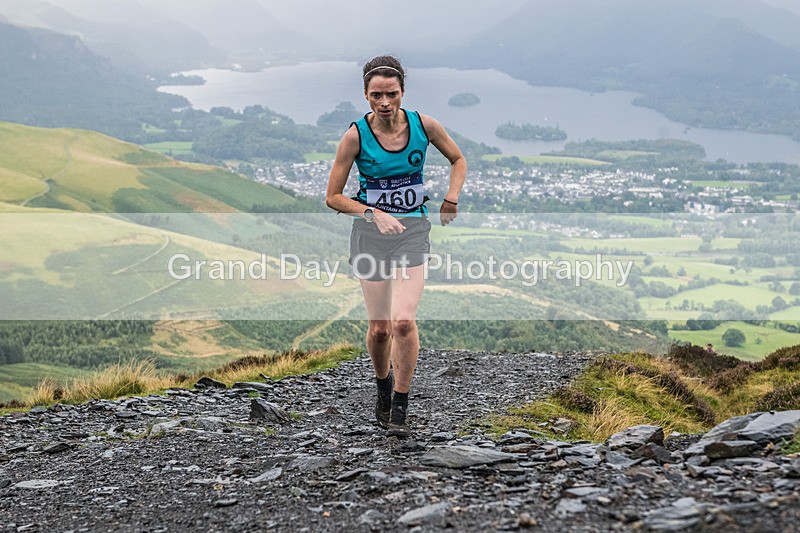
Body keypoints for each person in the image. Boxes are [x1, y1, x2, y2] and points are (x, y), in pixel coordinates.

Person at [325, 55, 466, 437]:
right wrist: (373, 214)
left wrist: (451, 197)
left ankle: (400, 404)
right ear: (366, 95)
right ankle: (383, 384)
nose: (384, 102)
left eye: (391, 94)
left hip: (413, 231)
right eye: (376, 95)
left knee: (403, 321)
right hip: (370, 235)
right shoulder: (356, 135)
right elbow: (333, 197)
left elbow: (458, 159)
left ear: (403, 91)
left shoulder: (424, 126)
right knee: (380, 329)